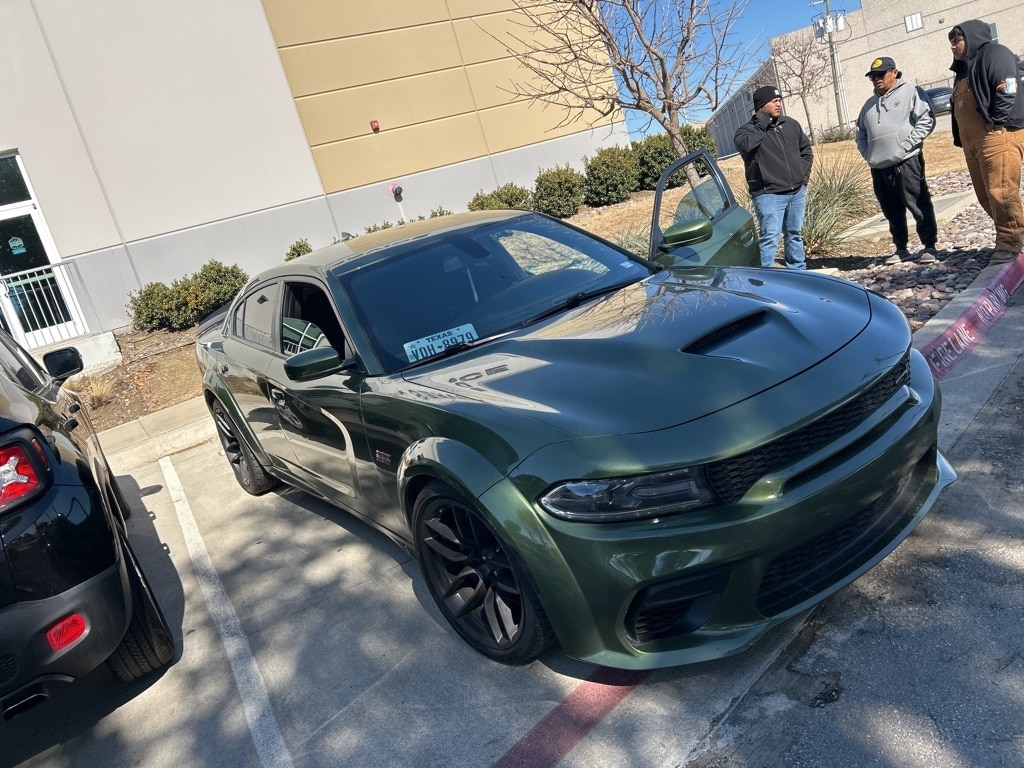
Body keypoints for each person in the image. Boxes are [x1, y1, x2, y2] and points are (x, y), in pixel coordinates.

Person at [948, 20, 1024, 264]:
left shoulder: (995, 54)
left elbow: (1008, 85)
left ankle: (1009, 242)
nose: (952, 46)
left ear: (970, 38)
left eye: (957, 40)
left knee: (1001, 191)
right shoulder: (963, 70)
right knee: (985, 195)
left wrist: (999, 122)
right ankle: (1018, 235)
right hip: (974, 145)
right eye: (950, 41)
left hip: (996, 137)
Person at [856, 56, 939, 266]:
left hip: (907, 161)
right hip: (879, 166)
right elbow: (860, 134)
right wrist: (868, 154)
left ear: (894, 72)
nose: (877, 79)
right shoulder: (868, 105)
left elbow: (926, 120)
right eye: (873, 76)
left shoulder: (911, 92)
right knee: (891, 210)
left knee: (918, 203)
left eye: (881, 74)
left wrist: (906, 146)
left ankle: (929, 245)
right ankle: (901, 248)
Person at [734, 85, 814, 269]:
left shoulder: (790, 124)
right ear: (761, 105)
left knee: (794, 233)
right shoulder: (745, 131)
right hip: (768, 195)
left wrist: (802, 179)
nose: (779, 104)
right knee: (770, 237)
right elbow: (746, 146)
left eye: (780, 100)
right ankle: (767, 279)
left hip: (796, 192)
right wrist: (763, 123)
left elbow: (806, 151)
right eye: (774, 101)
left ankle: (798, 272)